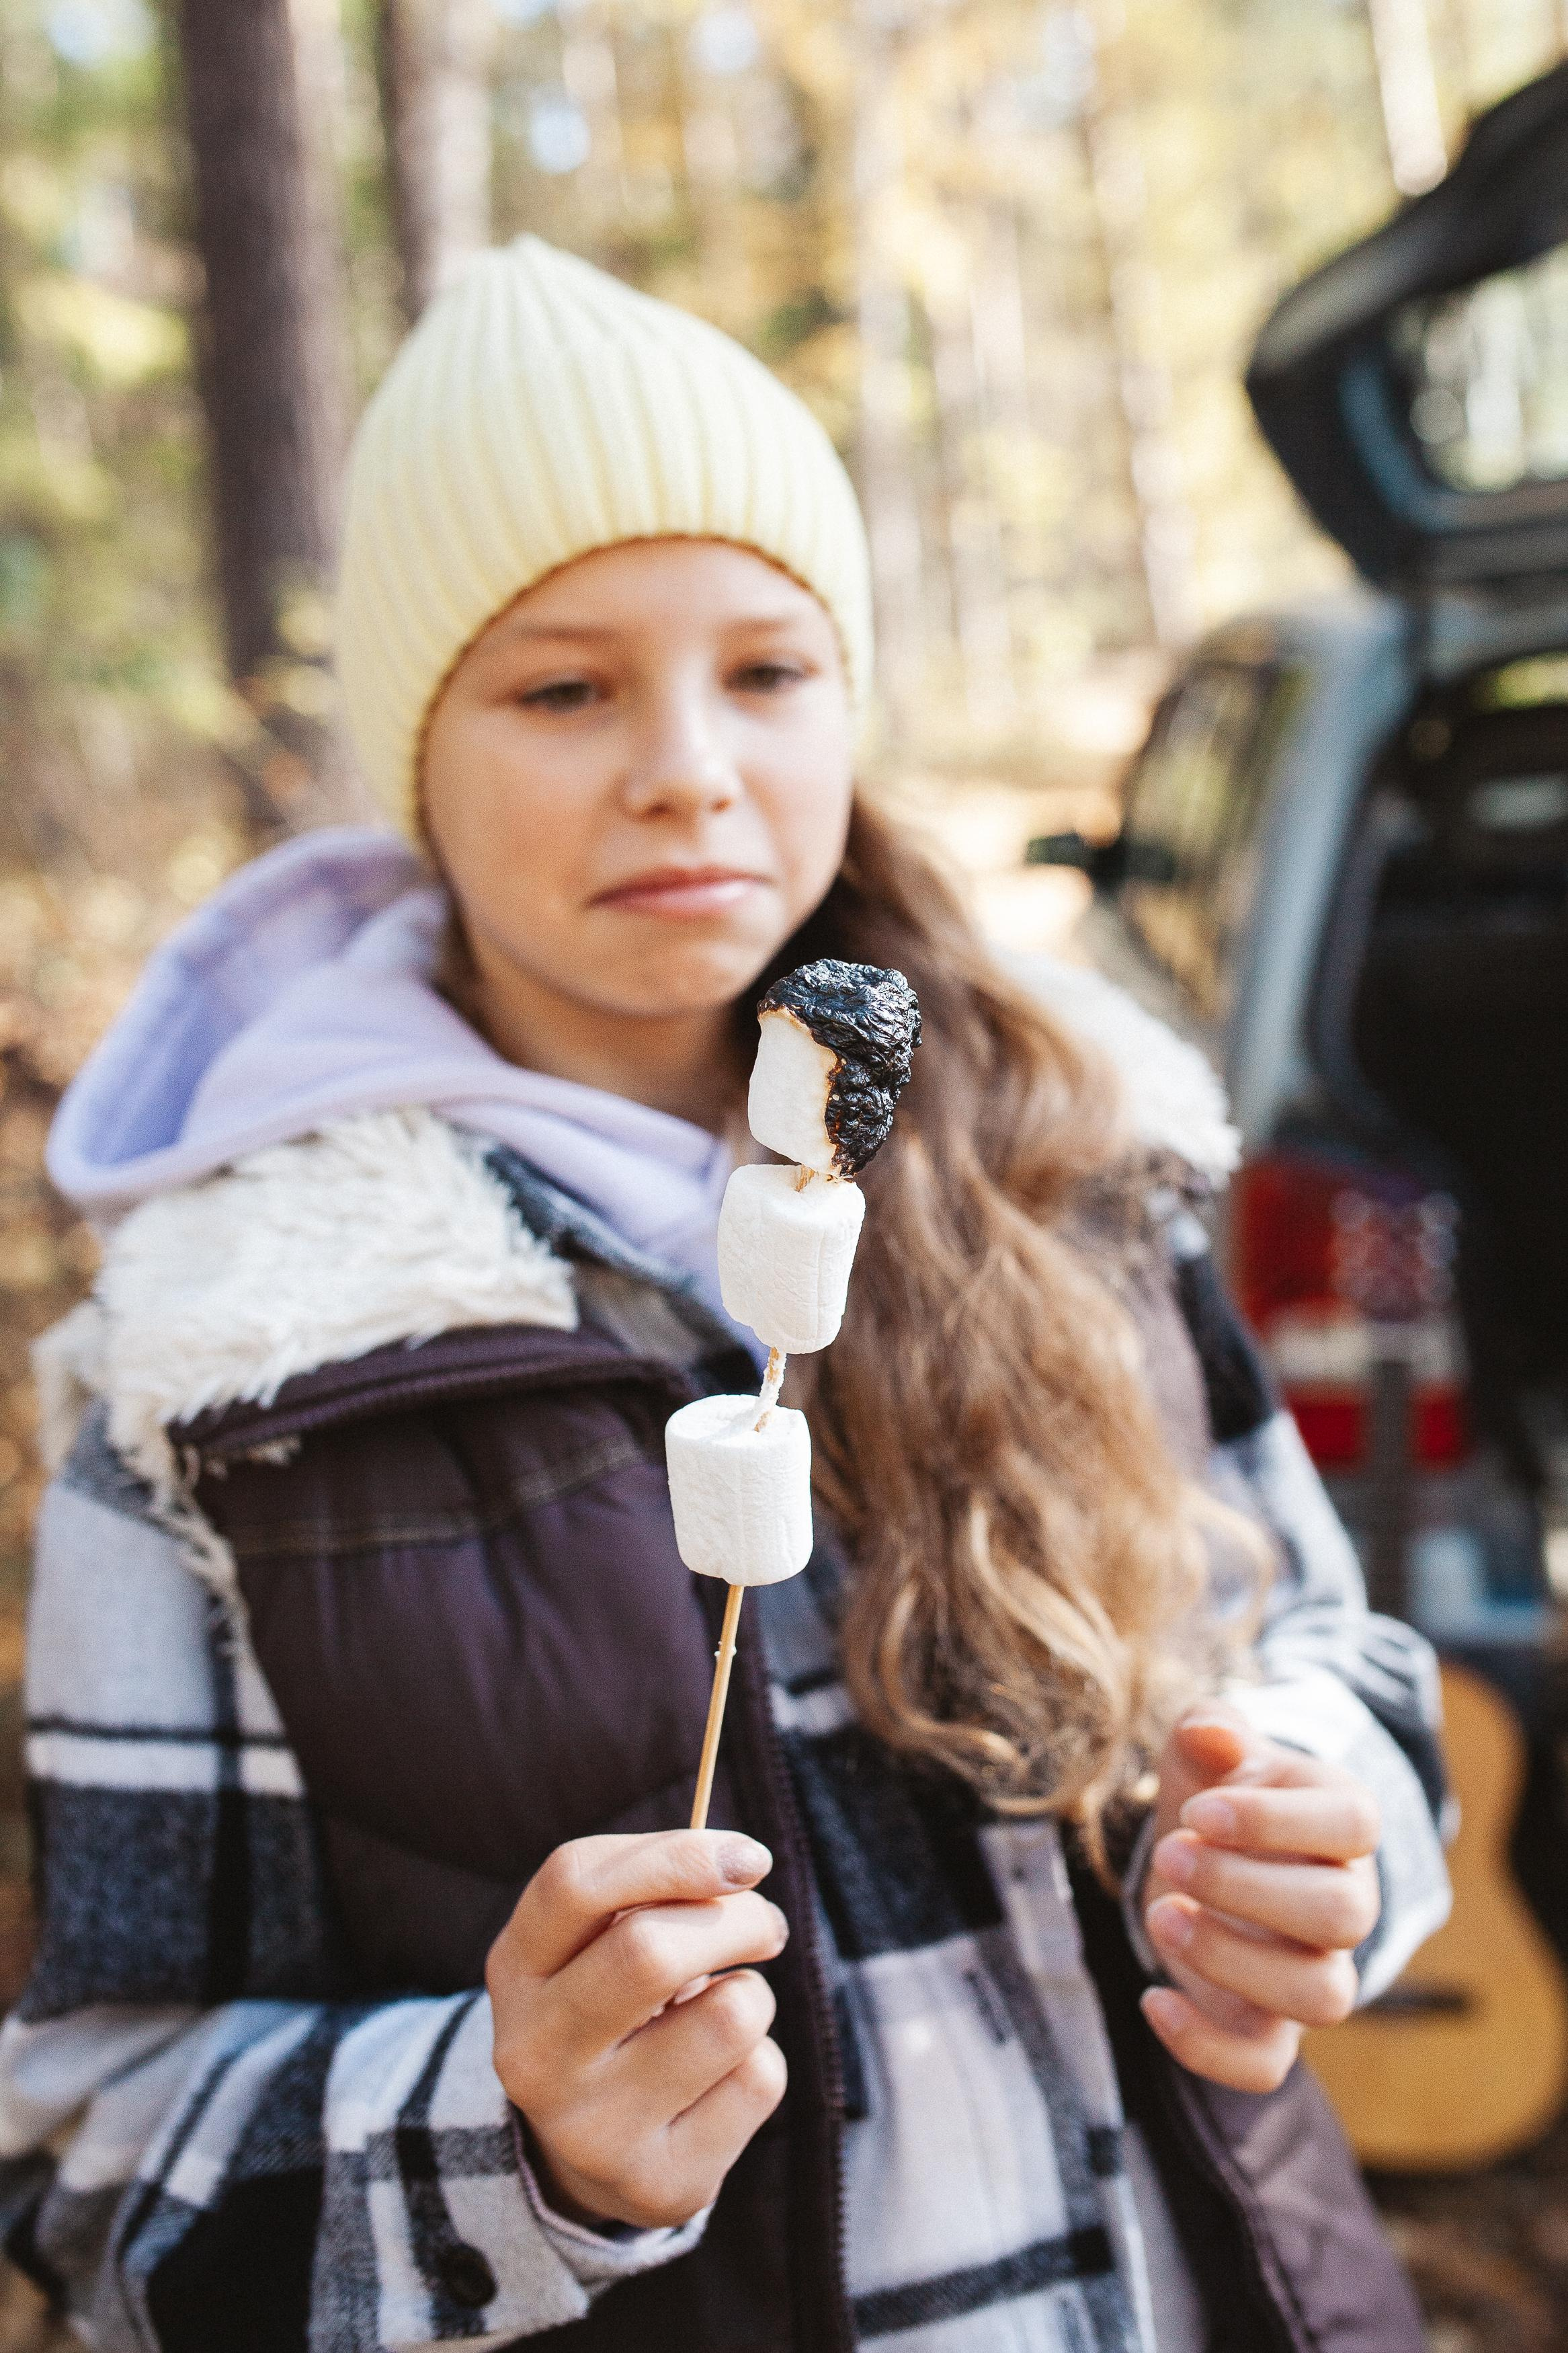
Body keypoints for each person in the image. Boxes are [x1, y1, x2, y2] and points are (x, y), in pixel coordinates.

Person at [0, 239, 1447, 2353]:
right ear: (421, 754)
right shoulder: (223, 1375)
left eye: (767, 671)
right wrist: (515, 2137)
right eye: (564, 687)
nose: (688, 767)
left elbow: (1339, 1641)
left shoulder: (1073, 1156)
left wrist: (1338, 1820)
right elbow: (94, 2160)